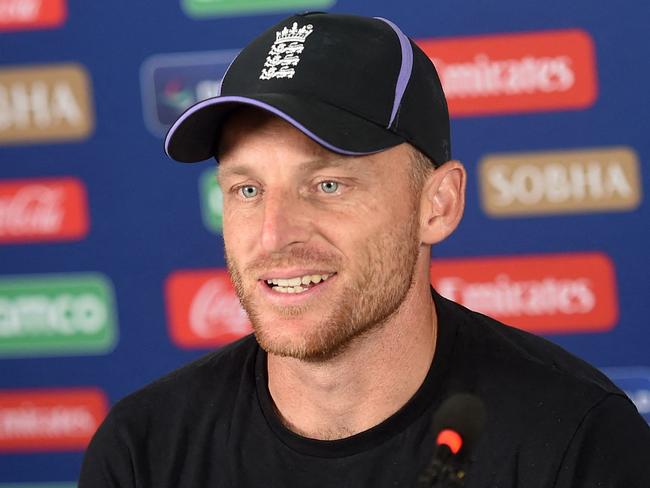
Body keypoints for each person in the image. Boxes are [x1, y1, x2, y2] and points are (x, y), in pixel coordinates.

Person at [79, 12, 650, 487]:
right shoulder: (142, 453)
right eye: (247, 189)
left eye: (328, 185)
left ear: (438, 205)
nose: (275, 234)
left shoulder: (577, 441)